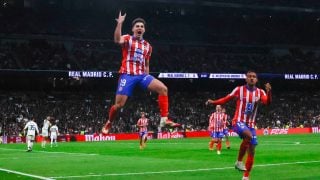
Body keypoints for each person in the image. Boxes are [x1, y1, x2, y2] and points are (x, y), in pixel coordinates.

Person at [102, 11, 179, 134]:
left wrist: (148, 79)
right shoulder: (127, 39)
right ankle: (109, 122)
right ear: (133, 29)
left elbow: (146, 64)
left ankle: (164, 119)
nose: (139, 28)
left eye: (141, 26)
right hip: (127, 75)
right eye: (137, 26)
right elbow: (117, 40)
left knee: (163, 89)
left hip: (142, 75)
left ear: (144, 30)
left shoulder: (148, 46)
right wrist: (120, 24)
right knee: (119, 105)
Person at [206, 70, 272, 180]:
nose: (251, 78)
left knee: (252, 150)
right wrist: (213, 102)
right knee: (248, 136)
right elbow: (226, 99)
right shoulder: (239, 90)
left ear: (256, 79)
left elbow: (267, 103)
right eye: (249, 76)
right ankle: (239, 161)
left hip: (250, 124)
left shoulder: (260, 92)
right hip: (238, 121)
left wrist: (269, 92)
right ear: (246, 78)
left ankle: (246, 176)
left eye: (254, 77)